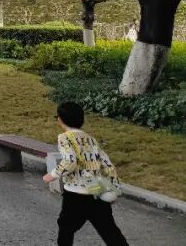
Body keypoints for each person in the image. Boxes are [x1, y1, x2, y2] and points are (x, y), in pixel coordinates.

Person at [43, 101, 128, 246]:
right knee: (109, 230)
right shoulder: (91, 139)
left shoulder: (65, 137)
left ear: (60, 120)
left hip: (75, 193)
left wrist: (52, 175)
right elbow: (107, 164)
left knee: (66, 228)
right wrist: (115, 188)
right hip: (96, 190)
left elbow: (70, 162)